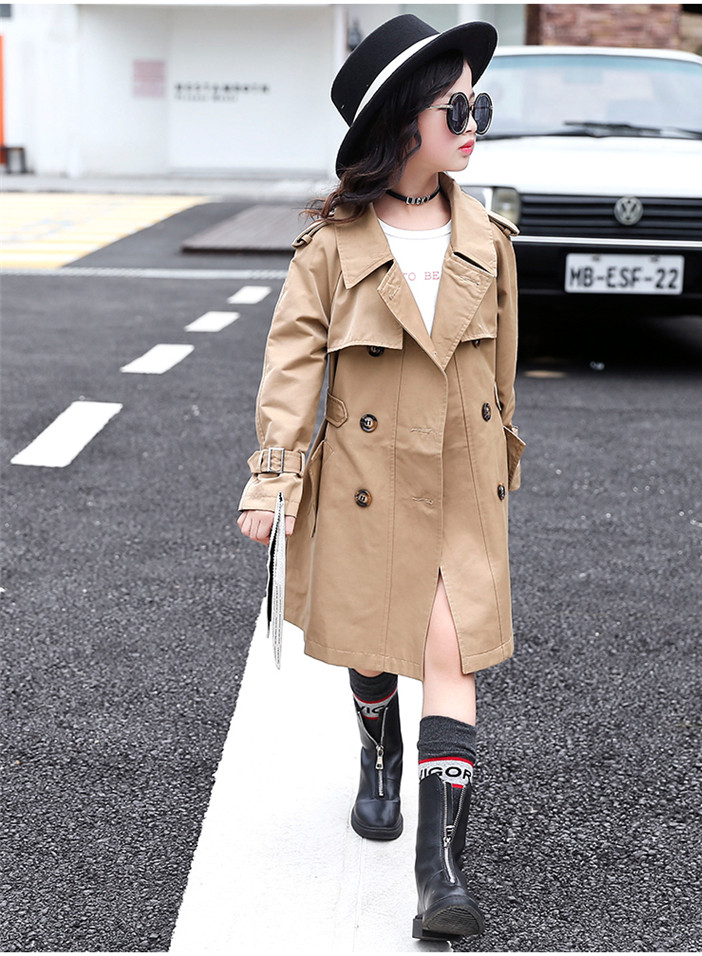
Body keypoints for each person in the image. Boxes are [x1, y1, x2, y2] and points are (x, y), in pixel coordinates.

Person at [236, 13, 524, 942]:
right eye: (456, 108)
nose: (474, 123)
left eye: (479, 105)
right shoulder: (330, 249)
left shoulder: (491, 241)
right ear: (403, 120)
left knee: (449, 650)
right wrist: (273, 481)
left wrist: (500, 463)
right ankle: (379, 751)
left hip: (461, 480)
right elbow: (292, 369)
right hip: (367, 475)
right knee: (373, 644)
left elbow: (502, 377)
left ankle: (440, 876)